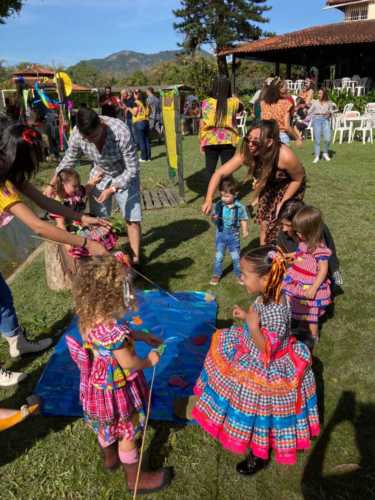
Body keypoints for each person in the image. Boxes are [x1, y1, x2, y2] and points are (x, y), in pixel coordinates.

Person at [184, 246, 320, 473]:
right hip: (250, 348)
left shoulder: (277, 309)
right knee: (235, 392)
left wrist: (253, 325)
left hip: (267, 364)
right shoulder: (268, 295)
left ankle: (259, 453)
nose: (240, 279)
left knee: (260, 413)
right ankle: (243, 433)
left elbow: (268, 349)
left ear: (265, 278)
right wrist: (248, 316)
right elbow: (260, 325)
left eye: (245, 275)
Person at [0, 120, 109, 387]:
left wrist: (81, 217)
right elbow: (38, 225)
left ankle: (18, 343)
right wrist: (85, 244)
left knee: (3, 296)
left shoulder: (10, 174)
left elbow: (45, 202)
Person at [66, 255, 172, 494]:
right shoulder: (115, 331)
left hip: (97, 388)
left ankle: (110, 458)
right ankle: (136, 480)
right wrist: (148, 360)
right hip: (118, 390)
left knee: (106, 426)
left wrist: (140, 336)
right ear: (114, 296)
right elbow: (128, 362)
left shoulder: (88, 318)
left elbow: (109, 341)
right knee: (127, 430)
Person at [44, 108, 143, 266]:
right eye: (88, 139)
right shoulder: (77, 133)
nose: (92, 142)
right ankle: (105, 259)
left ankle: (136, 260)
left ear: (102, 125)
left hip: (124, 172)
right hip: (100, 173)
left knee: (132, 217)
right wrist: (52, 184)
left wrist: (112, 189)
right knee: (99, 219)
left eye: (95, 137)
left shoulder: (121, 131)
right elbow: (68, 160)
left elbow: (132, 168)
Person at [202, 120, 306, 245]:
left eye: (255, 142)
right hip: (270, 185)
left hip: (290, 184)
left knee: (285, 225)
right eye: (248, 139)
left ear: (269, 142)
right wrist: (208, 198)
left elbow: (298, 179)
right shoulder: (247, 153)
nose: (250, 144)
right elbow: (219, 173)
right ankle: (264, 254)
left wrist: (283, 202)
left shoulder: (285, 156)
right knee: (264, 223)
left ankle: (300, 251)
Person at [282, 206, 332, 343]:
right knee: (297, 304)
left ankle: (313, 336)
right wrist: (288, 255)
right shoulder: (304, 242)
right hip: (299, 279)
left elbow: (323, 270)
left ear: (311, 231)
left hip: (309, 284)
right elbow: (300, 253)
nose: (297, 234)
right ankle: (299, 325)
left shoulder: (320, 249)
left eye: (300, 232)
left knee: (311, 312)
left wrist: (314, 288)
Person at [277, 199, 343, 286]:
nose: (284, 229)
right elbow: (290, 256)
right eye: (282, 224)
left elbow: (320, 263)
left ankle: (335, 271)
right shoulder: (283, 233)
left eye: (288, 225)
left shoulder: (315, 231)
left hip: (318, 267)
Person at [199, 75, 241, 183]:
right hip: (228, 139)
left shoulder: (205, 103)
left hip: (210, 139)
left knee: (209, 170)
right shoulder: (234, 102)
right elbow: (241, 107)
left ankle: (208, 196)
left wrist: (201, 142)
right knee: (227, 169)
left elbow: (201, 123)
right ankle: (227, 195)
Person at [210, 177, 249, 286]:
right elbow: (213, 218)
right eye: (222, 195)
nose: (224, 198)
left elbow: (243, 219)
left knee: (236, 257)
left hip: (233, 236)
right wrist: (214, 218)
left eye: (227, 196)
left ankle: (238, 274)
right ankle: (216, 274)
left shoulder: (240, 207)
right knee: (219, 256)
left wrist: (245, 230)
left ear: (235, 194)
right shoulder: (219, 205)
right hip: (221, 234)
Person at [260, 78, 301, 145]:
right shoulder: (285, 104)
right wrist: (297, 138)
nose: (287, 89)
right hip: (281, 136)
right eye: (286, 87)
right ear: (279, 90)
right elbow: (287, 126)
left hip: (266, 135)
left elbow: (262, 121)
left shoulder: (263, 103)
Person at [308, 89, 333, 163]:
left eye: (320, 93)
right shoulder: (315, 102)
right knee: (317, 140)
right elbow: (309, 111)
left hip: (326, 120)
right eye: (318, 93)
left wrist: (330, 113)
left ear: (324, 94)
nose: (319, 95)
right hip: (317, 120)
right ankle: (317, 156)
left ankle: (325, 152)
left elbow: (331, 111)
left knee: (328, 138)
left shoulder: (329, 102)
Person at [128, 90, 151, 163]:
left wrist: (129, 109)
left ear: (137, 95)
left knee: (141, 140)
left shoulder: (136, 102)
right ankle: (148, 157)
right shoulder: (146, 103)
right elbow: (149, 112)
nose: (134, 95)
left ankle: (143, 158)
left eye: (135, 94)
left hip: (139, 122)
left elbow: (134, 113)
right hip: (146, 121)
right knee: (146, 140)